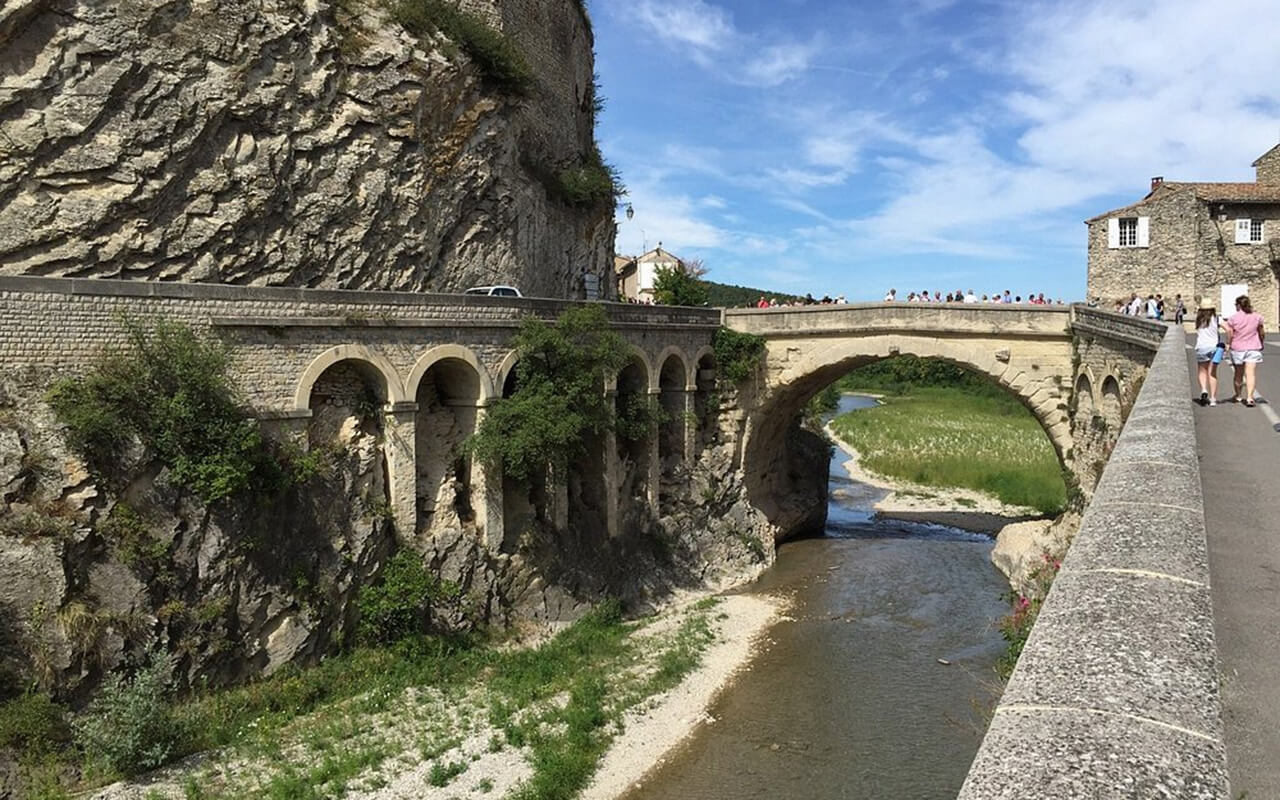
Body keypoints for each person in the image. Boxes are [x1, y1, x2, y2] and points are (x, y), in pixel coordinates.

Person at [1225, 295, 1265, 407]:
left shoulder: (1233, 318)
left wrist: (1228, 343)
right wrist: (1261, 342)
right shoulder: (1257, 317)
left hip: (1238, 348)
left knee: (1238, 374)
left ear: (1238, 305)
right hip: (1253, 347)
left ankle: (1238, 395)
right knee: (1250, 374)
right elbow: (1261, 331)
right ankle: (1250, 398)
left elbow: (1230, 333)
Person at [1193, 298, 1223, 406]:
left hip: (1201, 347)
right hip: (1214, 347)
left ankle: (1204, 389)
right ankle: (1213, 398)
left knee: (1202, 371)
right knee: (1212, 373)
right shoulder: (1217, 319)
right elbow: (1229, 329)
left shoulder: (1199, 319)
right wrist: (1228, 342)